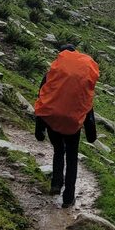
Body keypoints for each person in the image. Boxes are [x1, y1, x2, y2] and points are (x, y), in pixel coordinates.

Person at [34, 46, 99, 208]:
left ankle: (56, 184)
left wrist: (39, 127)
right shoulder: (82, 78)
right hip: (72, 122)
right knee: (71, 157)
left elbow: (44, 98)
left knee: (58, 150)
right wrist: (91, 133)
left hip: (53, 119)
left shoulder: (52, 73)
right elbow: (86, 104)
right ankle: (68, 197)